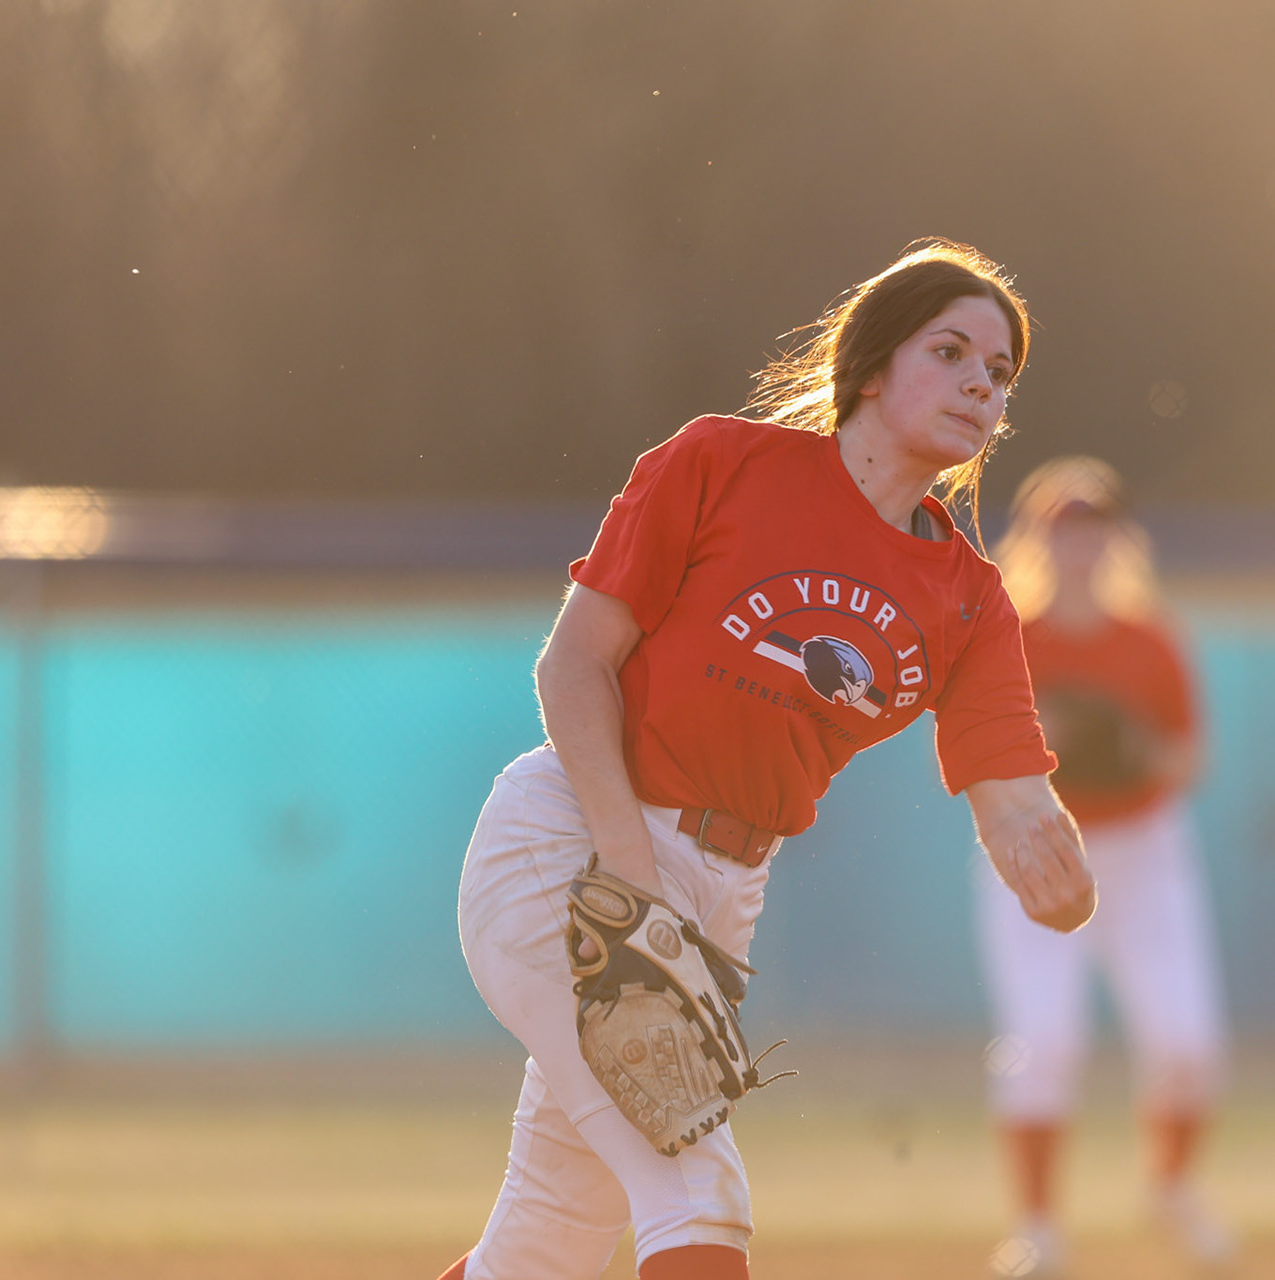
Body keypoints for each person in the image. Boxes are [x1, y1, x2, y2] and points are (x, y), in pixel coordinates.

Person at [439, 240, 1097, 1280]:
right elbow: (574, 665)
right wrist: (629, 873)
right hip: (571, 843)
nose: (982, 379)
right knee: (695, 1180)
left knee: (551, 1232)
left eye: (1002, 371)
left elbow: (1008, 782)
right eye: (954, 349)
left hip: (721, 894)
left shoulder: (968, 597)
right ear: (875, 365)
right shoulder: (721, 463)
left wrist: (1042, 852)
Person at [976, 457, 1231, 1276]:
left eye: (1094, 526)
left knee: (1187, 1041)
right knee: (1042, 1040)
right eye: (1063, 524)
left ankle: (1171, 1191)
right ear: (1037, 537)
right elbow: (981, 754)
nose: (1079, 541)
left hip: (1143, 851)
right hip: (1040, 847)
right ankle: (1040, 1228)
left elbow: (1187, 759)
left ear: (1117, 541)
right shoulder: (1010, 637)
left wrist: (1124, 744)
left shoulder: (1151, 640)